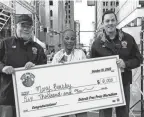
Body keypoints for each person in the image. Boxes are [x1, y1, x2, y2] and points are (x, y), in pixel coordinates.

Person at [90, 10, 142, 117]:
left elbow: (139, 59)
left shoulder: (128, 39)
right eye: (107, 21)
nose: (110, 23)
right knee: (105, 114)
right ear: (103, 24)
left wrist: (126, 64)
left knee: (123, 114)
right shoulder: (97, 44)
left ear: (116, 21)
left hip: (124, 83)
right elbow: (91, 66)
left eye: (112, 20)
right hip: (104, 86)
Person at [0, 14, 47, 117]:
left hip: (30, 97)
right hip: (8, 95)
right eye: (23, 26)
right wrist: (3, 67)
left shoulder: (38, 48)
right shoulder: (5, 43)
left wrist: (35, 67)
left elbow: (44, 67)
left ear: (32, 28)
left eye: (28, 26)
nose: (26, 29)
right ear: (16, 26)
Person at [52, 29, 87, 117]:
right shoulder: (57, 56)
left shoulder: (80, 54)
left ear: (75, 40)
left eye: (72, 39)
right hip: (63, 94)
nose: (69, 41)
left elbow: (86, 72)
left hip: (79, 92)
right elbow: (52, 75)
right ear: (62, 39)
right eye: (67, 38)